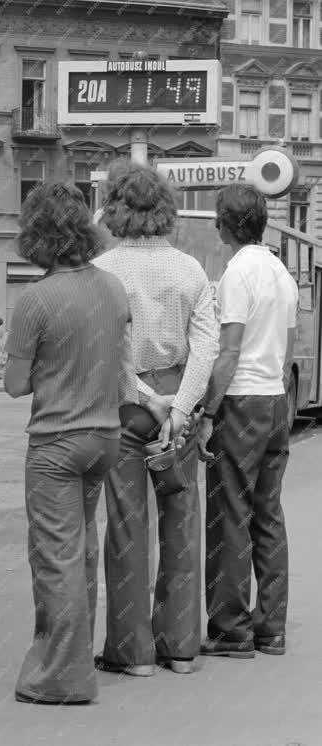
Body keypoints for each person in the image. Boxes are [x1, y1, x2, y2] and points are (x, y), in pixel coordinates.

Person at [3, 182, 138, 705]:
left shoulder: (35, 299)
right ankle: (73, 659)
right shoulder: (114, 288)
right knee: (80, 554)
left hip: (57, 445)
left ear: (36, 236)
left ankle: (62, 677)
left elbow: (16, 384)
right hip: (106, 437)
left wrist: (40, 364)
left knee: (54, 558)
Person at [92, 159, 219, 676]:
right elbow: (206, 345)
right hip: (178, 400)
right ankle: (182, 648)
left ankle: (132, 652)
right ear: (165, 210)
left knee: (126, 523)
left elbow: (110, 349)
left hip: (126, 406)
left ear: (116, 209)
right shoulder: (190, 269)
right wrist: (181, 409)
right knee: (183, 520)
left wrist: (145, 398)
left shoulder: (104, 270)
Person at [193, 184, 297, 659]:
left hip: (241, 403)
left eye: (216, 220)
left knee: (231, 514)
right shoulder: (282, 271)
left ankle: (230, 630)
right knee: (268, 516)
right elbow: (288, 347)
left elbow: (228, 350)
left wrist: (207, 411)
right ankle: (271, 628)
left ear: (227, 226)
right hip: (276, 400)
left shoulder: (236, 274)